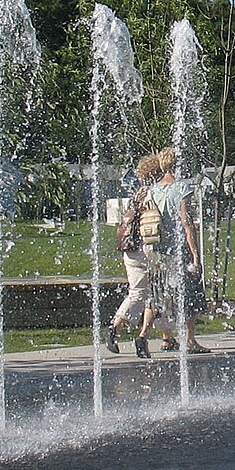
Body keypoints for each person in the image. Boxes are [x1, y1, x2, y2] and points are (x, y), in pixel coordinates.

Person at [142, 147, 209, 355]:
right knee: (188, 294)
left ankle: (143, 335)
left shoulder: (152, 190)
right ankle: (189, 341)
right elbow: (186, 223)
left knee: (157, 295)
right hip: (179, 250)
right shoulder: (182, 188)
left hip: (157, 250)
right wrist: (195, 255)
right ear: (178, 165)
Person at [107, 153, 161, 358]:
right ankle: (138, 335)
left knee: (140, 293)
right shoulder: (153, 193)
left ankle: (118, 329)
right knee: (152, 294)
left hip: (130, 249)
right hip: (147, 249)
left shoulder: (137, 194)